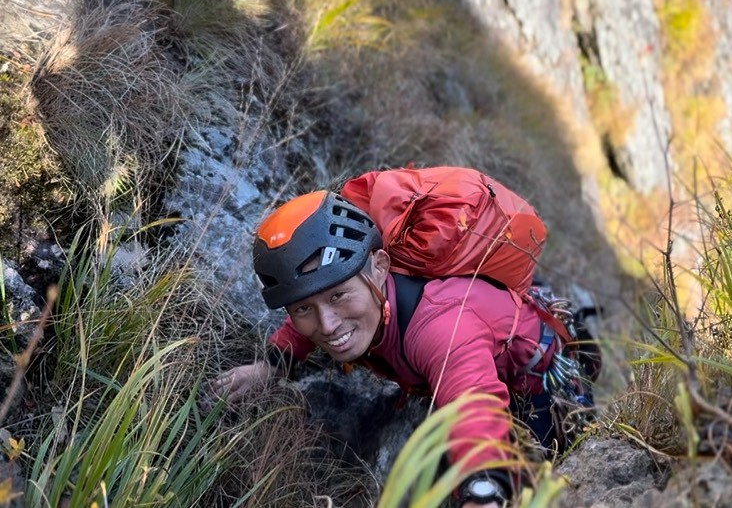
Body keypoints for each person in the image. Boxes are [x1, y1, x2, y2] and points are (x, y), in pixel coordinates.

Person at [211, 189, 598, 507]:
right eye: (303, 309)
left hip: (541, 378)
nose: (326, 325)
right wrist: (272, 365)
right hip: (480, 340)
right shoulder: (358, 287)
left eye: (339, 296)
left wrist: (483, 487)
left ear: (380, 266)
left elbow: (473, 405)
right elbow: (313, 301)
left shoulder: (440, 328)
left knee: (547, 481)